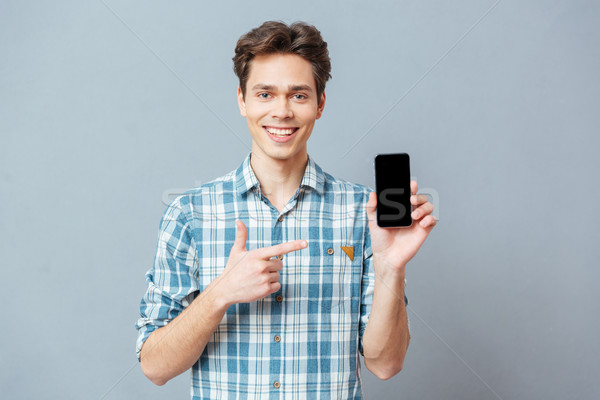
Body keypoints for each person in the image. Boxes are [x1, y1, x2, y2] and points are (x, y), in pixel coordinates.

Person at [135, 20, 437, 399]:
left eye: (298, 95)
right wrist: (220, 294)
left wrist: (391, 266)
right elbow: (154, 366)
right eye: (265, 94)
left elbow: (385, 364)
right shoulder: (189, 213)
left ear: (319, 104)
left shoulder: (365, 213)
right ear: (242, 100)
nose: (281, 112)